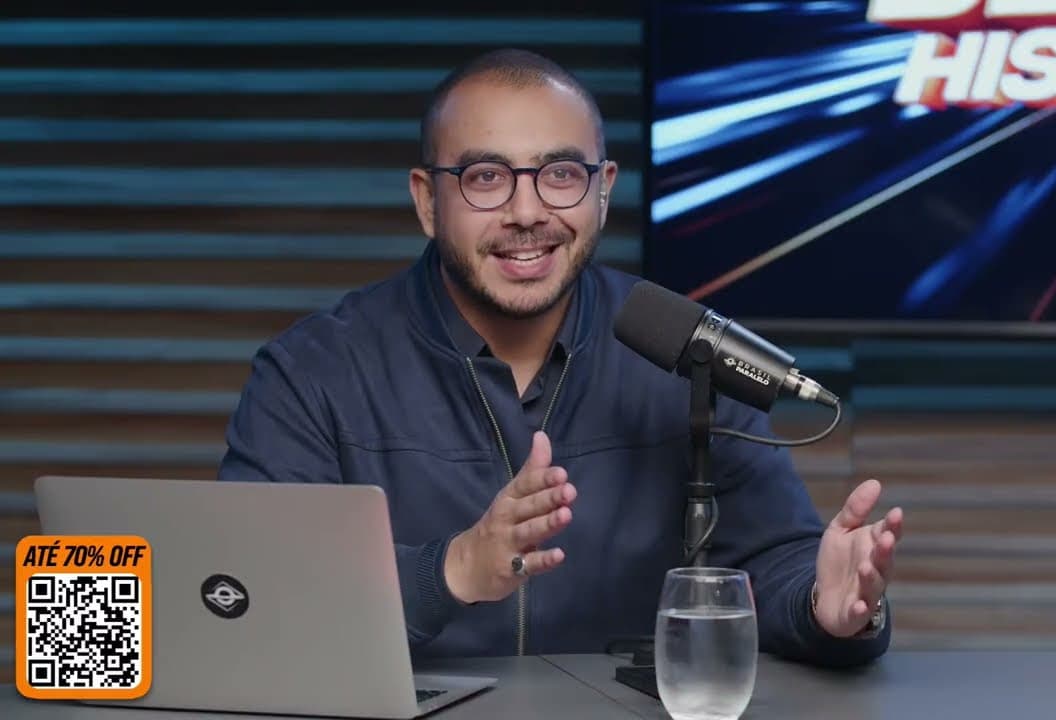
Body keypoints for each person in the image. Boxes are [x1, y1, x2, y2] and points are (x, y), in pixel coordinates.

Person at [217, 48, 903, 667]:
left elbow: (773, 562)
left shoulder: (686, 354)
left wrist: (825, 607)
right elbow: (250, 592)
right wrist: (453, 570)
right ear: (428, 201)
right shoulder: (313, 372)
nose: (527, 211)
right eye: (487, 177)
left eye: (561, 174)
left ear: (602, 190)